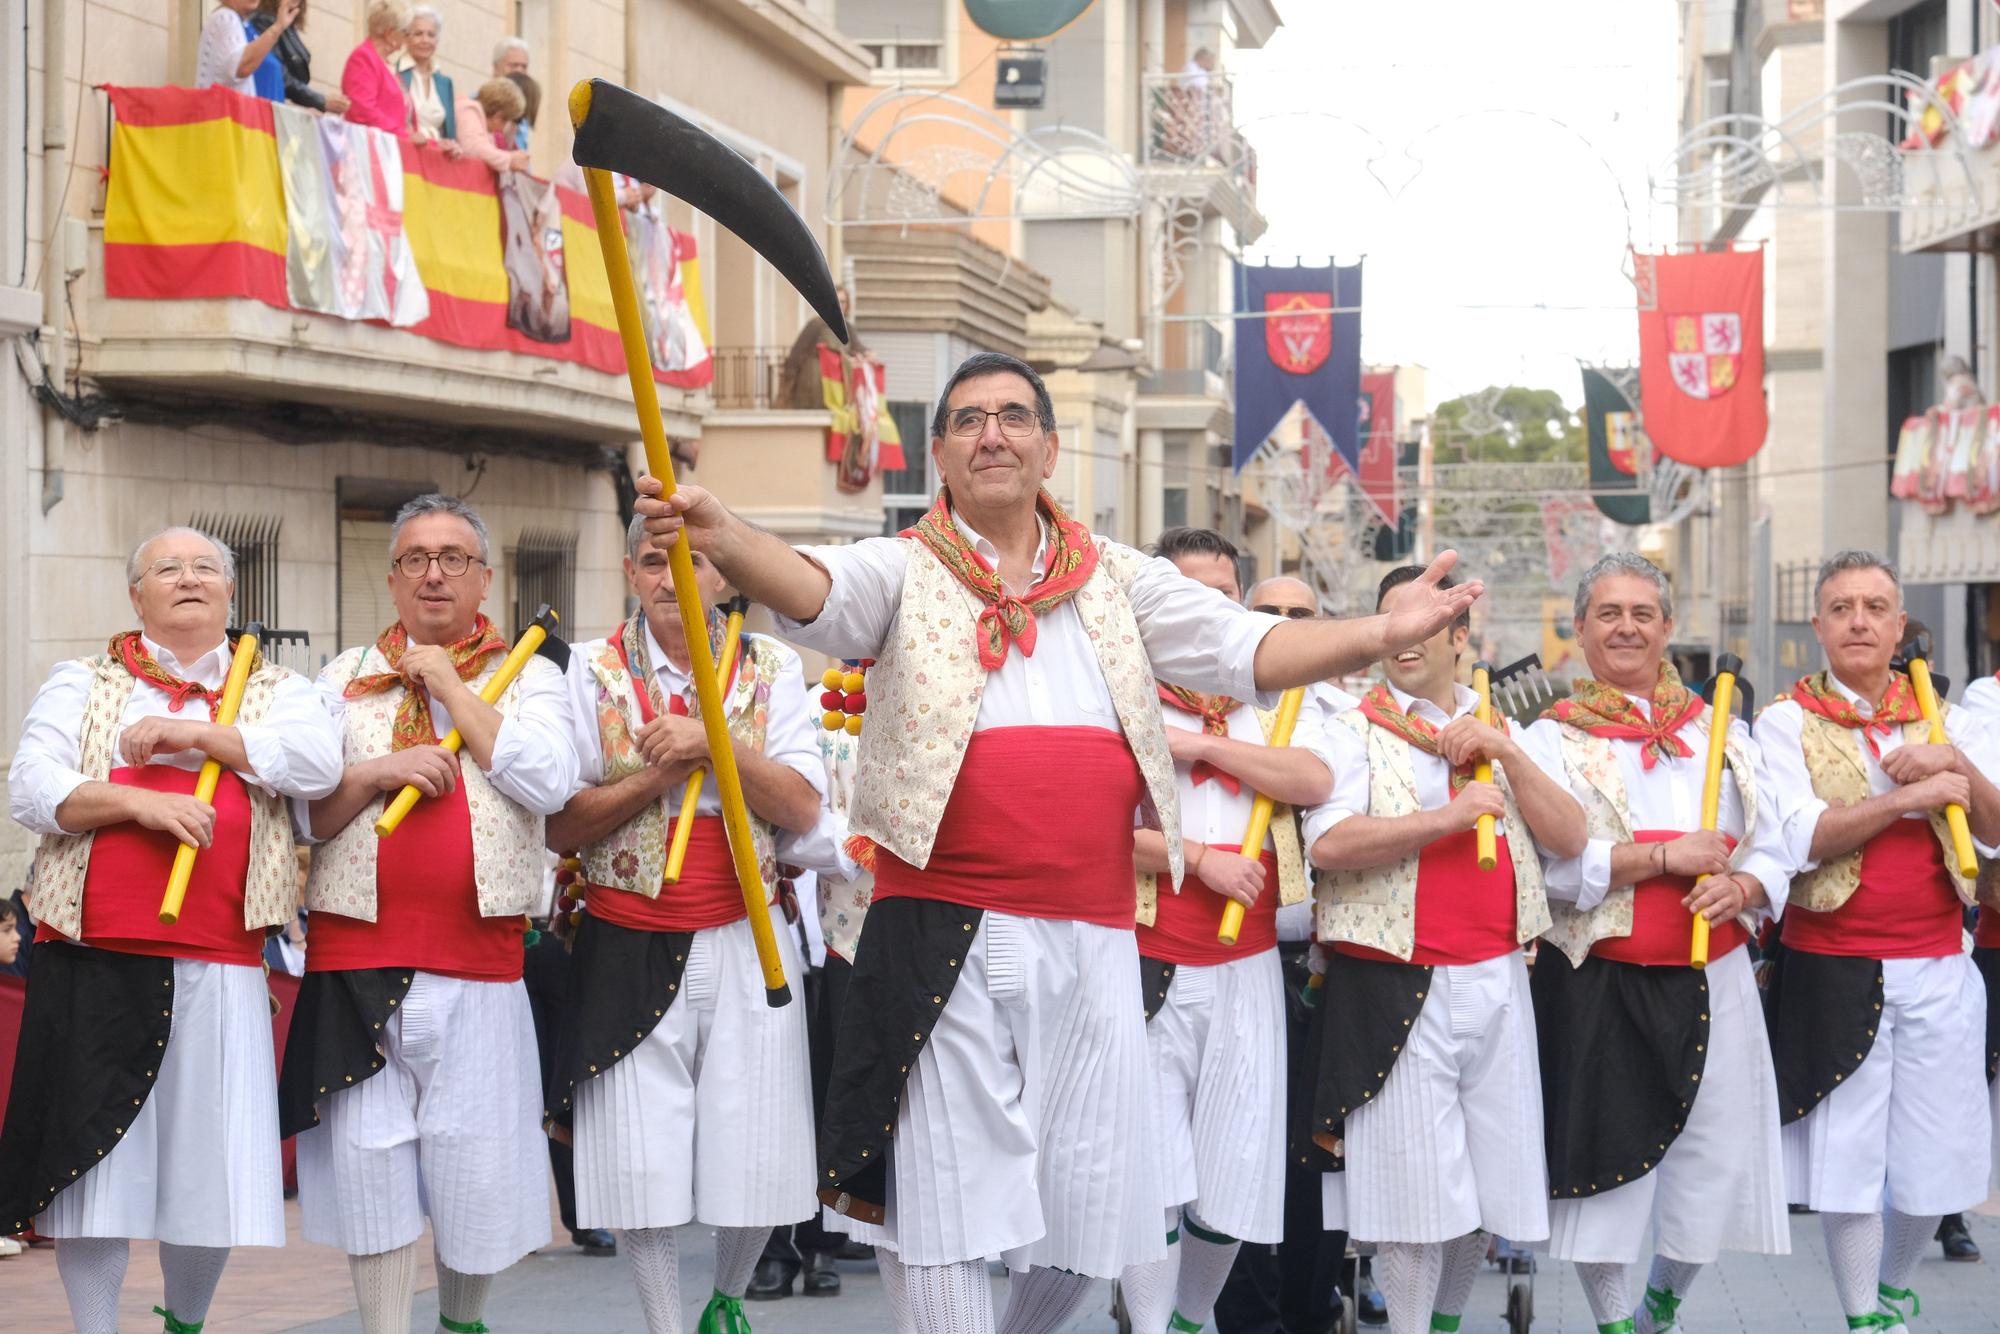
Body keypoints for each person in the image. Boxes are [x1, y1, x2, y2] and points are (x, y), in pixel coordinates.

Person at [632, 349, 1481, 1334]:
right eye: (967, 418)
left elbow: (1251, 648)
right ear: (940, 453)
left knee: (1090, 1218)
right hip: (937, 926)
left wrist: (1378, 632)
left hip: (1090, 933)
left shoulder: (1120, 579)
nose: (991, 431)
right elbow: (814, 588)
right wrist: (724, 533)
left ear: (1046, 445)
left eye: (1012, 415)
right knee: (940, 1199)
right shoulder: (899, 568)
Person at [0, 525, 343, 1334]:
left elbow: (317, 767)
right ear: (136, 595)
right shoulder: (82, 681)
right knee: (95, 1173)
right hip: (92, 958)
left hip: (222, 963)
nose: (188, 579)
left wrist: (197, 736)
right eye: (167, 569)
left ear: (231, 593)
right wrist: (138, 801)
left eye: (205, 569)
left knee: (208, 1178)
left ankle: (183, 1323)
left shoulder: (280, 690)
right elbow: (33, 786)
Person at [279, 494, 577, 1334]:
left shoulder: (537, 676)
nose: (435, 572)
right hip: (353, 962)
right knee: (368, 1172)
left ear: (485, 577)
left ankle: (460, 1324)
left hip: (479, 967)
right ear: (393, 577)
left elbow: (549, 783)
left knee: (473, 1170)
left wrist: (450, 682)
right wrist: (376, 773)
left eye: (453, 557)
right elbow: (304, 813)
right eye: (416, 557)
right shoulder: (340, 678)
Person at [546, 517, 823, 1334]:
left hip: (749, 934)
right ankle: (666, 1323)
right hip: (624, 932)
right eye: (657, 562)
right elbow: (561, 825)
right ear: (632, 571)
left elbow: (804, 807)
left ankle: (727, 1298)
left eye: (693, 560)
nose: (674, 578)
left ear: (724, 577)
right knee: (637, 1158)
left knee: (760, 1144)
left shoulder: (773, 666)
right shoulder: (588, 671)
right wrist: (661, 773)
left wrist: (714, 744)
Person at [1305, 565, 1583, 1334]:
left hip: (1498, 976)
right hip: (1394, 982)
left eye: (1428, 623)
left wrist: (1508, 755)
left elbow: (1572, 839)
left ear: (1461, 638)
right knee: (1407, 1199)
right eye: (1394, 622)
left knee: (1492, 1191)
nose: (1406, 639)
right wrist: (1449, 817)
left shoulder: (1511, 729)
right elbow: (1327, 844)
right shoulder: (1348, 726)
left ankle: (1444, 1326)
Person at [1526, 552, 1792, 1334]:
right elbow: (1546, 870)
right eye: (1608, 613)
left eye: (1643, 613)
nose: (1626, 627)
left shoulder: (1722, 731)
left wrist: (1744, 887)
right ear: (1577, 631)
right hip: (1601, 977)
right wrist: (1659, 859)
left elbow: (1775, 844)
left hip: (1718, 976)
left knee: (1716, 1162)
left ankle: (1660, 1309)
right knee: (1608, 1173)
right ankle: (1614, 1324)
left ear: (1668, 628)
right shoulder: (1550, 741)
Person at [1757, 551, 2000, 1333]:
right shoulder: (1783, 720)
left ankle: (1893, 1288)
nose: (1858, 620)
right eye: (1841, 608)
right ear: (1820, 627)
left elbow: (1995, 837)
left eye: (1875, 607)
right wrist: (1914, 795)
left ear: (1900, 626)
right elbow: (1804, 839)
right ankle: (1865, 1318)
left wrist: (1954, 761)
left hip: (1939, 965)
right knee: (1847, 1166)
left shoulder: (1949, 719)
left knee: (1942, 1160)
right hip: (1833, 966)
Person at [1117, 529, 1338, 1334]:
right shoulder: (1117, 689)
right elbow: (1083, 826)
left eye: (1222, 594)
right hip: (1146, 956)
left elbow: (1315, 777)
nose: (1207, 609)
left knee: (1235, 1174)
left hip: (1247, 963)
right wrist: (1200, 860)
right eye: (1188, 593)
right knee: (1153, 1171)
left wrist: (1206, 743)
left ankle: (1188, 1319)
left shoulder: (1272, 701)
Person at [1212, 575, 1359, 1334]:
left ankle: (1312, 1306)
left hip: (1324, 963)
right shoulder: (1217, 704)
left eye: (1300, 616)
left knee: (1315, 1155)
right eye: (1267, 613)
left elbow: (1316, 784)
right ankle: (1250, 1317)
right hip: (1236, 955)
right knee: (1243, 1150)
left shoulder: (1348, 715)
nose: (1283, 624)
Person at [249, 0, 347, 115]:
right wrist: (320, 100)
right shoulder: (263, 21)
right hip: (268, 108)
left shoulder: (289, 26)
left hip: (283, 109)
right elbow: (279, 74)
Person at [196, 0, 299, 95]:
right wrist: (278, 27)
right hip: (222, 113)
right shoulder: (226, 17)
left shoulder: (243, 24)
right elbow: (241, 66)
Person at [340, 1, 412, 136]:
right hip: (370, 149)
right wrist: (404, 135)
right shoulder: (363, 58)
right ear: (390, 33)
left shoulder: (388, 65)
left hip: (391, 147)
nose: (407, 38)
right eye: (405, 32)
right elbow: (362, 111)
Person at [397, 6, 456, 147]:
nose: (425, 40)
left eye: (431, 35)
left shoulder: (445, 83)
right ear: (405, 37)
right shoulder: (394, 73)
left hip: (436, 160)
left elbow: (450, 134)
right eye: (418, 34)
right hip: (405, 153)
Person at [456, 78, 531, 175]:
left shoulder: (484, 126)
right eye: (506, 121)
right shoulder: (467, 109)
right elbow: (474, 148)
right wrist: (510, 159)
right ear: (498, 117)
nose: (502, 129)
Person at [492, 38, 531, 149]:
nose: (519, 71)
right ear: (496, 68)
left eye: (524, 66)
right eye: (513, 65)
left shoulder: (523, 107)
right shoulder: (481, 101)